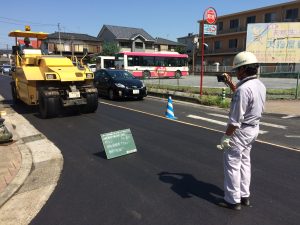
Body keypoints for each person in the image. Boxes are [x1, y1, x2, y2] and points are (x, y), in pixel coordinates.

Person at [217, 51, 266, 210]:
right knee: (245, 162)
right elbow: (242, 93)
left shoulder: (243, 90)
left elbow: (235, 120)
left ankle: (232, 200)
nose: (236, 72)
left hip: (240, 132)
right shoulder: (260, 85)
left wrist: (226, 136)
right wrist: (230, 83)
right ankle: (245, 196)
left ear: (244, 69)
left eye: (237, 69)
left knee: (232, 164)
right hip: (253, 129)